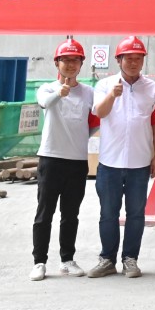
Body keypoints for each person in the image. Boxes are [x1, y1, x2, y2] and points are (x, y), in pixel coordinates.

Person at [89, 35, 155, 278]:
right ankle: (107, 259)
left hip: (139, 163)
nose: (133, 63)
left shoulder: (152, 88)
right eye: (128, 58)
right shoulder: (104, 85)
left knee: (135, 214)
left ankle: (130, 259)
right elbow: (100, 113)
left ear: (143, 61)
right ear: (118, 60)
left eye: (138, 58)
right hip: (109, 163)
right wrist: (112, 95)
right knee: (108, 214)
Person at [30, 37, 94, 281]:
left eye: (75, 60)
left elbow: (95, 120)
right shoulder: (47, 88)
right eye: (65, 60)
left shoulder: (88, 92)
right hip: (51, 158)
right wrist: (60, 92)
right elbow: (44, 103)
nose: (70, 64)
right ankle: (39, 262)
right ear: (56, 63)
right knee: (44, 213)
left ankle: (67, 259)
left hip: (77, 161)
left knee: (71, 214)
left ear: (81, 64)